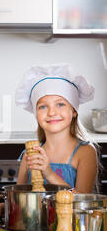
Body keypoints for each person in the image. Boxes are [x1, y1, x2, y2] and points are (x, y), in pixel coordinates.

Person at [15, 63, 98, 192]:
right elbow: (18, 195)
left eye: (60, 104)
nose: (51, 113)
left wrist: (49, 173)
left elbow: (83, 201)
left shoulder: (85, 152)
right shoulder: (30, 154)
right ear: (36, 113)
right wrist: (4, 205)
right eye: (42, 107)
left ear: (74, 110)